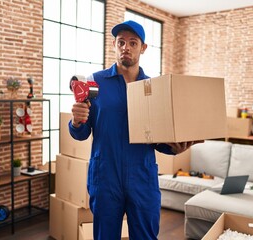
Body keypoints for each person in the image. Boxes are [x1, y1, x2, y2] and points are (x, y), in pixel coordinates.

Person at [69, 20, 201, 240]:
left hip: (142, 176)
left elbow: (158, 138)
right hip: (105, 176)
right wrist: (76, 121)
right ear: (114, 45)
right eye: (121, 42)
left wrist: (174, 149)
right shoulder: (95, 83)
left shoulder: (154, 87)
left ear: (143, 48)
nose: (126, 47)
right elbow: (81, 134)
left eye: (133, 42)